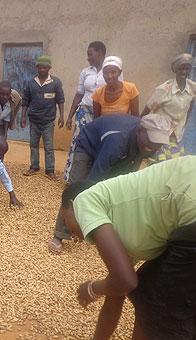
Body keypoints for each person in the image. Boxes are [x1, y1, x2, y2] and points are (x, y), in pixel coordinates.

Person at [60, 156, 196, 340]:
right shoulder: (125, 227)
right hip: (187, 210)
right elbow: (117, 293)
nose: (67, 231)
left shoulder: (84, 201)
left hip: (190, 203)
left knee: (161, 310)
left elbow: (126, 281)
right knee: (147, 290)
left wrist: (92, 288)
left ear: (71, 206)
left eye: (64, 220)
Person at [49, 114, 172, 253]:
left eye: (159, 143)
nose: (155, 146)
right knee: (77, 190)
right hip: (88, 145)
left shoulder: (148, 145)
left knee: (120, 188)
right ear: (140, 131)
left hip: (124, 150)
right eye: (152, 139)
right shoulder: (118, 139)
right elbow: (94, 180)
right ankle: (60, 234)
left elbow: (125, 184)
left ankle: (101, 230)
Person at [63, 41, 107, 183]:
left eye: (90, 54)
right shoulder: (85, 71)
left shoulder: (111, 71)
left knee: (99, 144)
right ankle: (73, 178)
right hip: (84, 111)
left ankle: (93, 178)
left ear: (100, 53)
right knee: (79, 142)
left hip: (103, 114)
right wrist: (69, 116)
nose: (88, 58)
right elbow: (79, 94)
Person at [142, 53, 196, 163]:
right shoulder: (164, 89)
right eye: (181, 68)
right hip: (160, 135)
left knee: (173, 166)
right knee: (157, 165)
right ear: (175, 70)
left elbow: (190, 105)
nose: (184, 72)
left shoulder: (192, 87)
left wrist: (183, 124)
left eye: (187, 68)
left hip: (177, 136)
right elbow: (147, 109)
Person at [21, 55, 65, 180]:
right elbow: (25, 101)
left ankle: (50, 170)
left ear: (49, 68)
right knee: (33, 144)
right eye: (40, 67)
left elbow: (60, 100)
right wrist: (23, 117)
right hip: (34, 120)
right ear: (37, 68)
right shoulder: (31, 82)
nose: (42, 70)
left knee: (49, 147)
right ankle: (34, 167)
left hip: (48, 121)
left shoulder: (55, 82)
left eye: (45, 67)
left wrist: (62, 116)